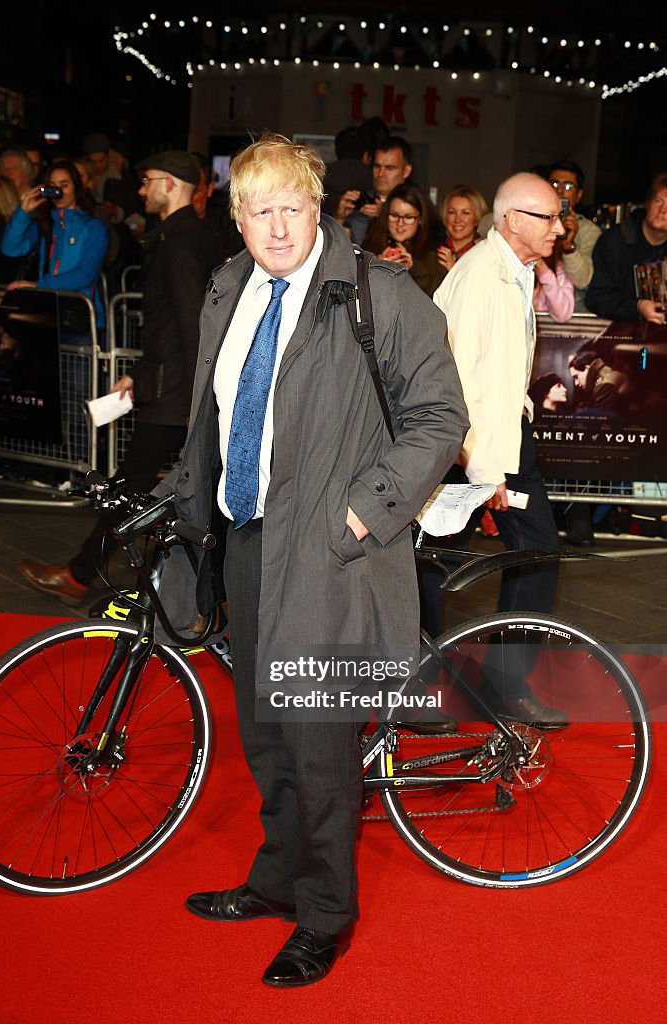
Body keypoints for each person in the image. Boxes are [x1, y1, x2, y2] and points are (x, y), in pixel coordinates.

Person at [153, 133, 467, 987]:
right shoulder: (230, 287)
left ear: (319, 206)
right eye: (260, 211)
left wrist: (363, 516)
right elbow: (217, 412)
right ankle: (278, 879)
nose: (278, 227)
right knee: (266, 734)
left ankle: (325, 914)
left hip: (334, 553)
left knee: (322, 744)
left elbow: (440, 418)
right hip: (248, 540)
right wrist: (190, 498)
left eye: (293, 207)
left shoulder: (379, 295)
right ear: (238, 216)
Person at [19, 151, 223, 604]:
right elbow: (174, 327)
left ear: (170, 184)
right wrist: (137, 375)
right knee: (147, 489)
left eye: (147, 180)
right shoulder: (184, 235)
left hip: (174, 393)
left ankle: (87, 577)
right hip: (167, 384)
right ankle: (99, 575)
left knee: (130, 490)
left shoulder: (179, 241)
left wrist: (196, 400)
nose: (141, 189)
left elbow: (194, 325)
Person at [432, 172, 568, 729]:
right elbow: (451, 384)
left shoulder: (516, 273)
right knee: (431, 565)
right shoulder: (480, 278)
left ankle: (502, 684)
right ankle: (415, 691)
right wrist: (483, 471)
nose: (560, 227)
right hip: (464, 447)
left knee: (534, 553)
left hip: (506, 439)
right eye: (549, 217)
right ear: (512, 220)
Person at [1, 159, 109, 326]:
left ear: (76, 187)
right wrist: (22, 212)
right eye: (53, 186)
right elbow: (10, 248)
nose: (58, 191)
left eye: (64, 185)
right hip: (46, 313)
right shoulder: (46, 224)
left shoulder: (93, 227)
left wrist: (38, 285)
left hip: (80, 314)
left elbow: (85, 275)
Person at [586, 172, 667, 324]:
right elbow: (597, 298)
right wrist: (637, 306)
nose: (663, 210)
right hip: (617, 333)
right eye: (658, 201)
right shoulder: (615, 241)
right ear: (647, 203)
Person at [364, 183, 446, 296]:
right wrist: (376, 268)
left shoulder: (434, 252)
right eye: (394, 215)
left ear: (420, 219)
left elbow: (439, 296)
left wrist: (414, 268)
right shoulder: (370, 244)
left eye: (408, 217)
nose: (400, 223)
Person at [548, 159, 601, 313]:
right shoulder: (531, 221)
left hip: (574, 313)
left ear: (579, 195)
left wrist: (568, 246)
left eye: (568, 186)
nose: (560, 191)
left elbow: (584, 281)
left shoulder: (588, 231)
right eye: (554, 184)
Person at [436, 185, 488, 270]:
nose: (457, 219)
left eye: (465, 213)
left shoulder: (485, 253)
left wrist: (454, 270)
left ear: (477, 218)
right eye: (452, 212)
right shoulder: (433, 250)